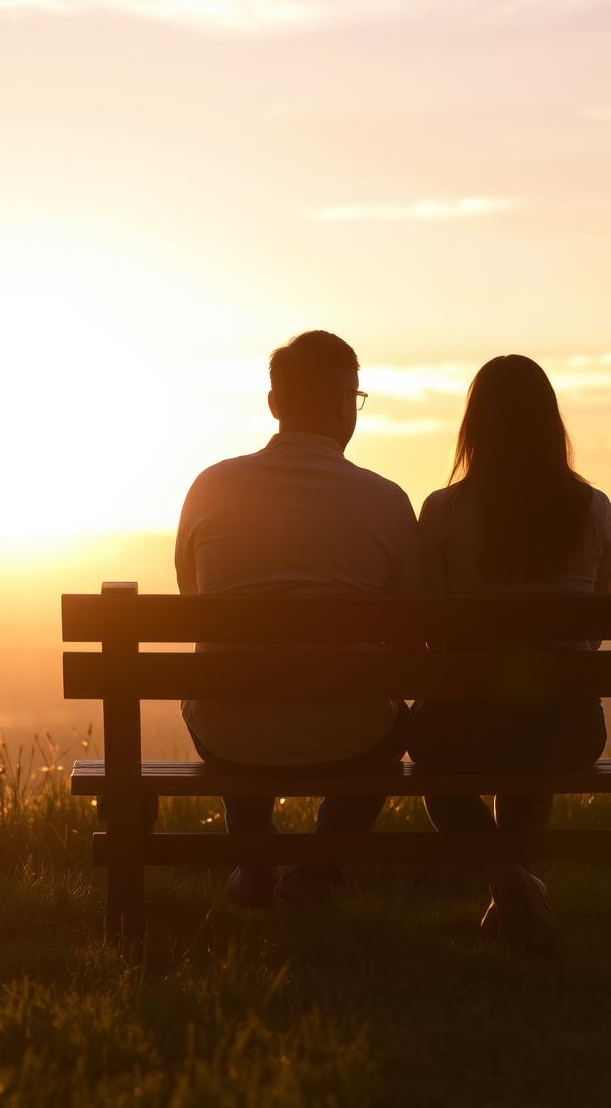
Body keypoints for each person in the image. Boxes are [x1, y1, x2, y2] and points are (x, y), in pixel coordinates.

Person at [175, 330, 422, 907]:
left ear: (274, 406)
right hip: (350, 735)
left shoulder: (209, 487)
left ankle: (254, 860)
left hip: (227, 731)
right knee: (390, 731)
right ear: (343, 405)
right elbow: (413, 628)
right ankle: (317, 870)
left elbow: (195, 604)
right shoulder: (385, 499)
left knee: (233, 688)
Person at [407, 354, 611, 952]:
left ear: (474, 429)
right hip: (570, 730)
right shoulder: (593, 508)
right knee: (534, 726)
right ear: (552, 425)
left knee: (440, 767)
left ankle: (507, 881)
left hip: (459, 730)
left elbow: (432, 629)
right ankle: (518, 887)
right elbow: (593, 632)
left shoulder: (443, 512)